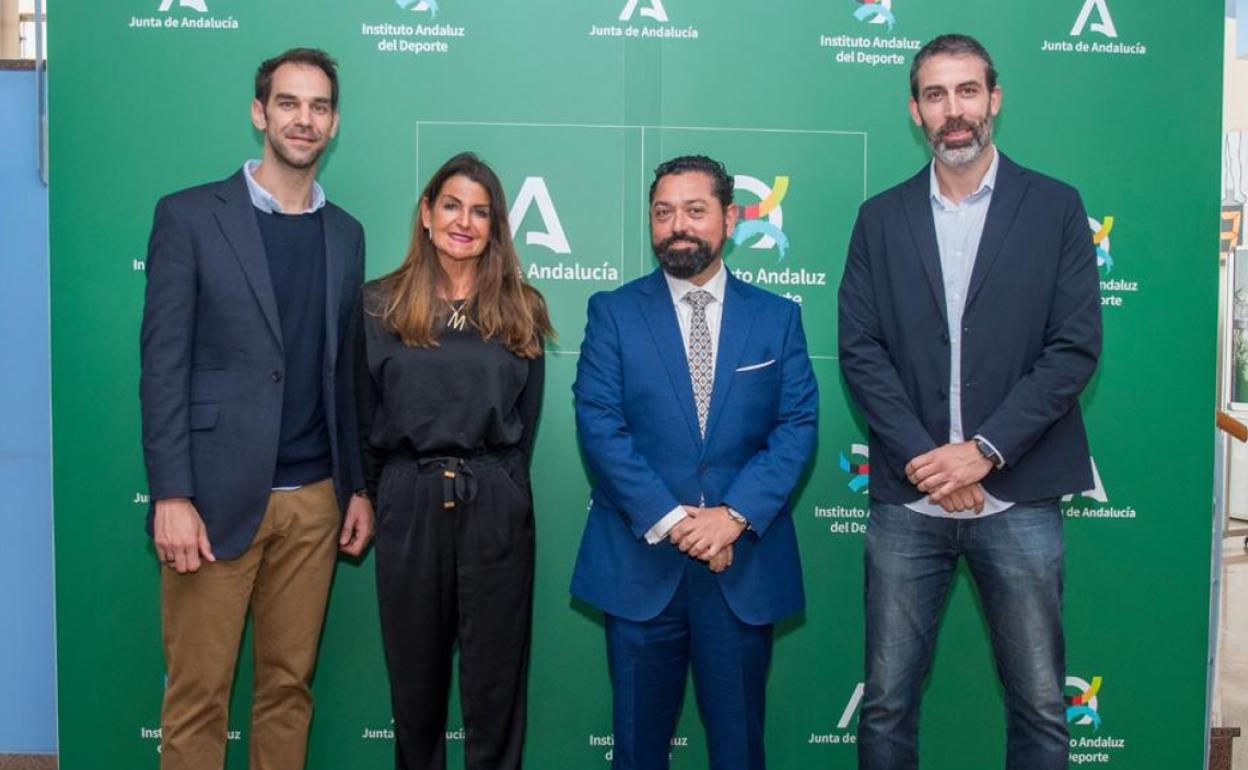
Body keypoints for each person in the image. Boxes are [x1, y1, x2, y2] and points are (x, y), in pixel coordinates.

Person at [837, 33, 1102, 770]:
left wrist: (981, 453)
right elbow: (861, 350)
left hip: (1019, 496)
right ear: (915, 112)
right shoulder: (879, 218)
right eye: (934, 94)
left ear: (994, 100)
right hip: (910, 500)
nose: (953, 111)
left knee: (1044, 707)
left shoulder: (1054, 207)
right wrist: (931, 461)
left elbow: (1073, 347)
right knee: (887, 704)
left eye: (966, 91)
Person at [139, 48, 373, 770]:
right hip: (211, 504)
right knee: (199, 695)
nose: (304, 119)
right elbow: (162, 364)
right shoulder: (188, 217)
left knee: (287, 690)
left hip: (313, 503)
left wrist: (356, 484)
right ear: (259, 113)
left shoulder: (346, 234)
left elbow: (344, 375)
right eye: (289, 103)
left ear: (334, 125)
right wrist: (172, 493)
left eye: (320, 107)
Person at [571, 155, 818, 770]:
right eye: (663, 212)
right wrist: (678, 522)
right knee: (636, 752)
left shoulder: (777, 318)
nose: (676, 225)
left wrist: (732, 515)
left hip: (741, 571)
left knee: (738, 751)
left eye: (694, 209)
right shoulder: (613, 312)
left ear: (730, 218)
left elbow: (797, 426)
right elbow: (600, 425)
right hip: (639, 566)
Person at [357, 151, 553, 770]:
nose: (464, 221)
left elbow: (528, 423)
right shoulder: (377, 305)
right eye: (451, 205)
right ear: (425, 213)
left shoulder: (521, 306)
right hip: (407, 499)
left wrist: (503, 491)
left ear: (495, 227)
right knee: (415, 693)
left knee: (496, 690)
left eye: (480, 211)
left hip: (494, 500)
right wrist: (367, 494)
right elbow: (361, 415)